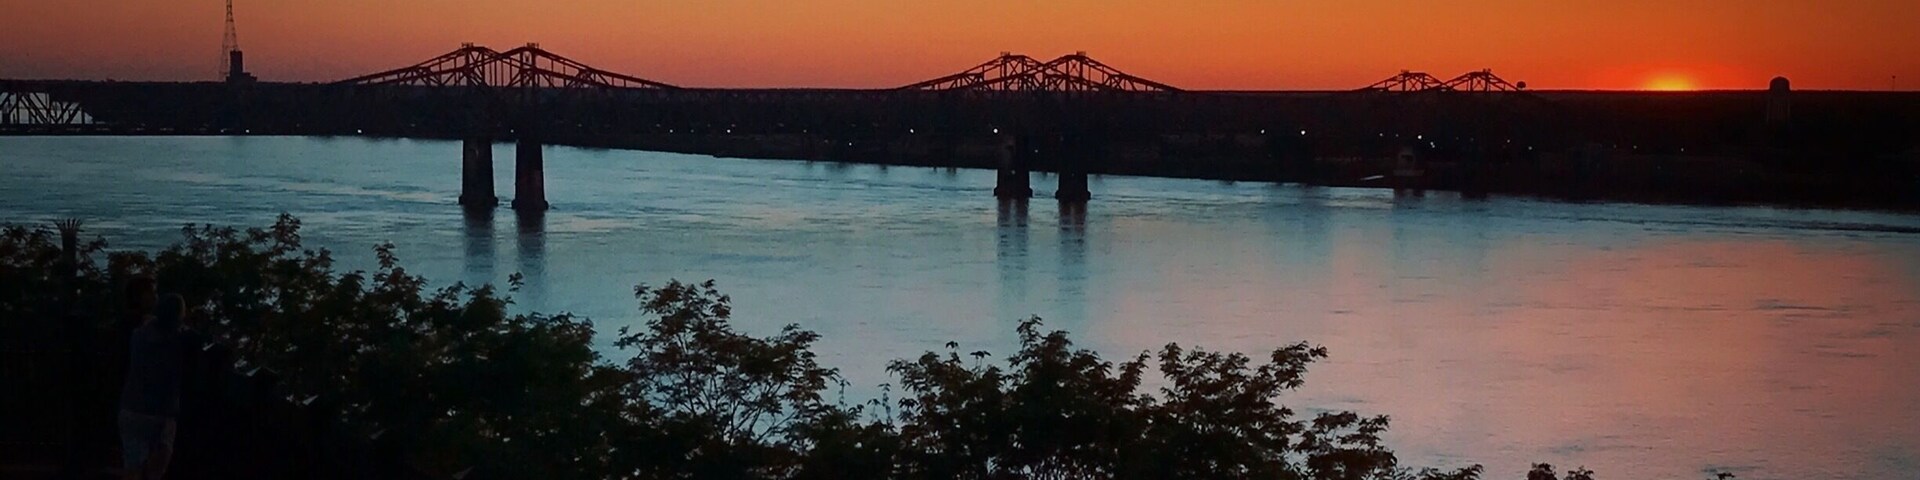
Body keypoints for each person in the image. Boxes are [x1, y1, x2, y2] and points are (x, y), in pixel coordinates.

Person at [119, 293, 187, 480]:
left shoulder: (139, 335)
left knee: (132, 467)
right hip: (162, 414)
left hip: (132, 407)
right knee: (156, 470)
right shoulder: (178, 343)